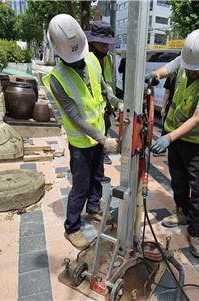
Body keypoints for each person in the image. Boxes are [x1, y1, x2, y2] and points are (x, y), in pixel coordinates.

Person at [146, 28, 199, 258]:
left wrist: (167, 137)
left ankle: (195, 231)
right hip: (175, 138)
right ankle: (181, 212)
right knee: (179, 180)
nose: (190, 73)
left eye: (196, 70)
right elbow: (169, 68)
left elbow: (197, 118)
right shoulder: (187, 61)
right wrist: (154, 74)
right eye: (188, 68)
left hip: (197, 145)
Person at [42, 14, 123, 250]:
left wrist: (115, 101)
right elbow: (76, 118)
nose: (78, 62)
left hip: (98, 137)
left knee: (97, 177)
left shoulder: (91, 60)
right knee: (81, 185)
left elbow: (102, 87)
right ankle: (72, 228)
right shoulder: (57, 79)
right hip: (81, 142)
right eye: (72, 59)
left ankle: (94, 209)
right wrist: (105, 140)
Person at [85, 20, 119, 174]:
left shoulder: (108, 58)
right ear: (92, 42)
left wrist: (114, 103)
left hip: (105, 103)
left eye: (108, 44)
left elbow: (107, 83)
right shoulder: (84, 59)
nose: (106, 48)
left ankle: (100, 164)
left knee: (104, 129)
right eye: (102, 44)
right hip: (88, 108)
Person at [153, 76, 176, 157]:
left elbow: (167, 92)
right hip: (181, 106)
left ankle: (162, 148)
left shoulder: (173, 75)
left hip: (171, 106)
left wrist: (163, 107)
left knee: (166, 126)